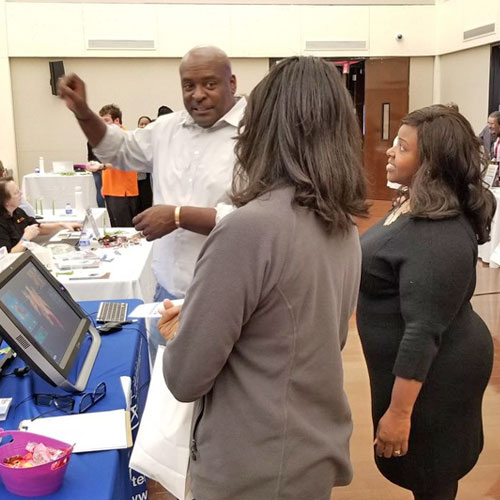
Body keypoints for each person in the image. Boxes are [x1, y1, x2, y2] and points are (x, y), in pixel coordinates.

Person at [157, 55, 368, 500]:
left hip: (253, 467)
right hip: (306, 454)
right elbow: (306, 338)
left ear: (262, 130)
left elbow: (185, 377)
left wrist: (188, 326)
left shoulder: (247, 229)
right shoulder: (342, 225)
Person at [58, 45, 246, 361]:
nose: (197, 94)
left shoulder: (255, 134)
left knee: (223, 395)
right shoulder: (167, 129)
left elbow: (253, 219)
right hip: (168, 294)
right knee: (166, 389)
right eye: (189, 85)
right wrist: (83, 112)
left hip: (228, 300)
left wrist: (177, 216)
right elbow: (115, 149)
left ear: (232, 83)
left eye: (209, 84)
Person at [357, 105, 496, 500]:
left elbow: (422, 332)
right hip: (414, 364)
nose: (389, 152)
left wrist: (400, 414)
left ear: (430, 165)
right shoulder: (413, 203)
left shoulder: (439, 233)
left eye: (402, 148)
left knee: (430, 471)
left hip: (436, 374)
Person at [86, 104, 139, 227]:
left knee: (125, 229)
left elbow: (121, 160)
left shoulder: (126, 137)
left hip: (123, 191)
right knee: (115, 228)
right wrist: (104, 185)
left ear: (117, 121)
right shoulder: (110, 139)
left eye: (107, 121)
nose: (104, 125)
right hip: (111, 189)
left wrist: (101, 166)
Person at [0, 177, 81, 253]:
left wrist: (62, 225)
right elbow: (8, 256)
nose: (21, 193)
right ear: (6, 201)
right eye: (16, 193)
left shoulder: (18, 212)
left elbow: (38, 228)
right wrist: (26, 238)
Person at [136, 115, 154, 213]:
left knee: (147, 203)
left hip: (149, 178)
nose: (143, 126)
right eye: (141, 124)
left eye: (146, 124)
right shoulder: (135, 139)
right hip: (136, 178)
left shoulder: (154, 140)